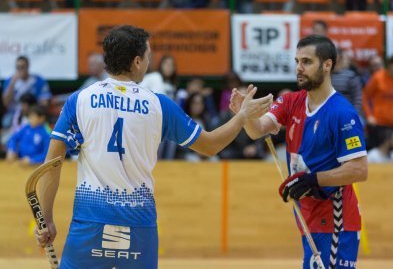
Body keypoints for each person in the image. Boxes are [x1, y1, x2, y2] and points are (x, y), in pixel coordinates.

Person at [34, 25, 273, 269]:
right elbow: (210, 146)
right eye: (148, 57)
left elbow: (51, 164)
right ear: (137, 62)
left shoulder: (80, 100)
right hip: (139, 225)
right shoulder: (158, 105)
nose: (150, 63)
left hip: (90, 223)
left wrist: (46, 219)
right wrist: (242, 116)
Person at [230, 35, 368, 268]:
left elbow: (358, 170)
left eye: (306, 61)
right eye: (297, 61)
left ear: (327, 65)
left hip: (335, 221)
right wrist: (244, 115)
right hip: (309, 217)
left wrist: (312, 180)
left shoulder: (342, 113)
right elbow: (258, 130)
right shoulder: (291, 101)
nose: (298, 68)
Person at [1, 56, 51, 140]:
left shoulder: (37, 80)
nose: (20, 70)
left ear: (28, 66)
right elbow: (5, 103)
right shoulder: (10, 81)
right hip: (13, 112)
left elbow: (45, 102)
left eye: (23, 67)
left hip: (32, 111)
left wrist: (31, 108)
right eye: (18, 67)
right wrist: (12, 84)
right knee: (6, 122)